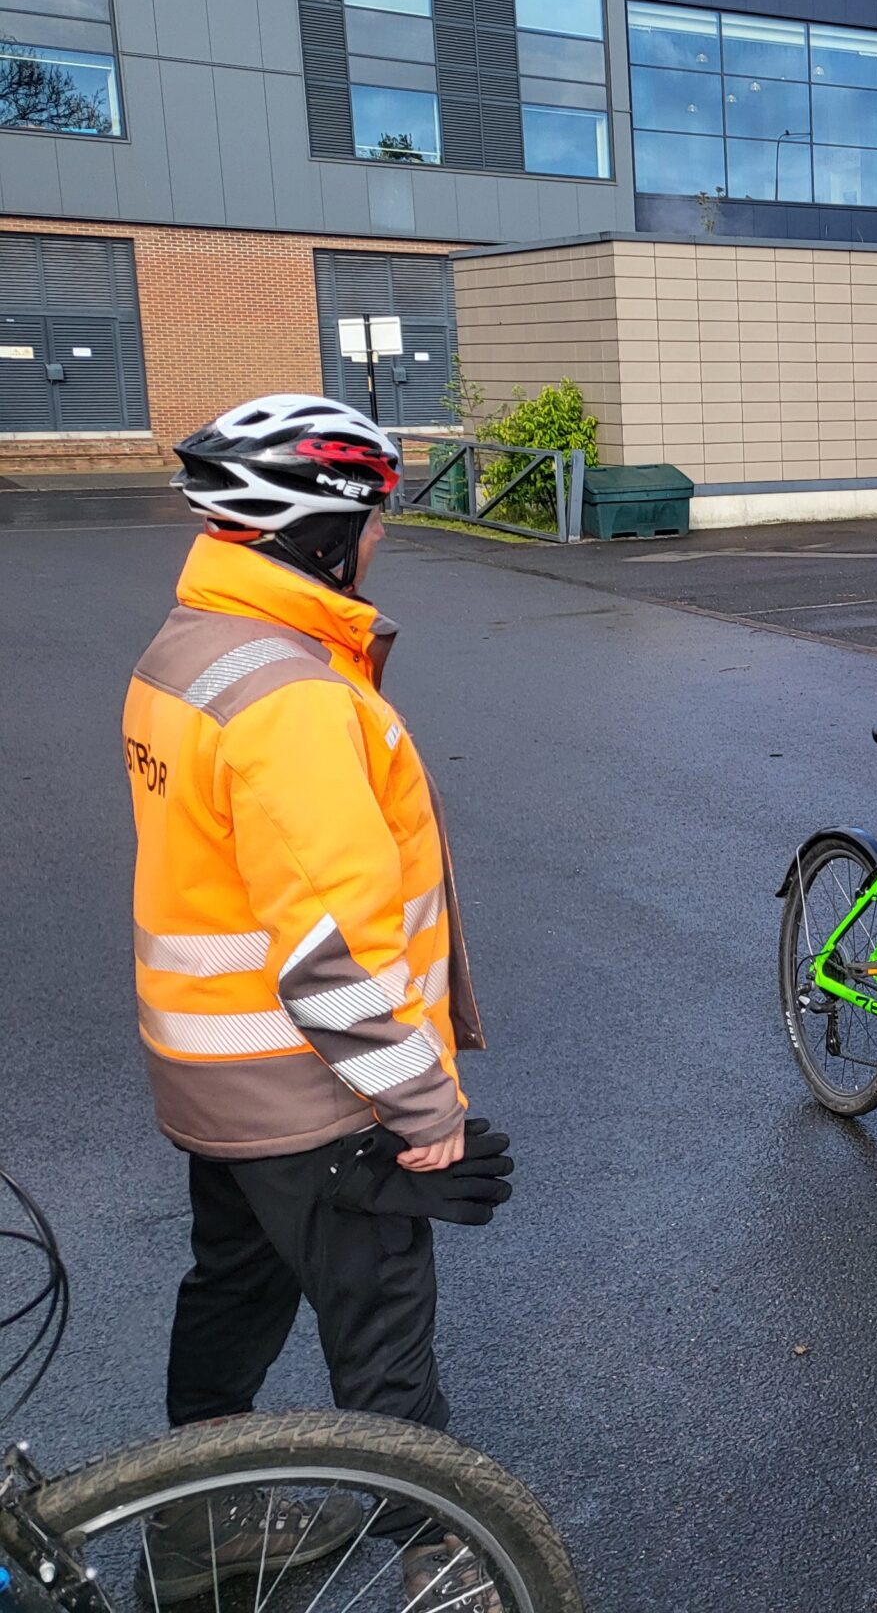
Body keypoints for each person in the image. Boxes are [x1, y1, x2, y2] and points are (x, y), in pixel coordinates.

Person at [127, 395, 512, 1607]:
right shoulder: (293, 698)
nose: (382, 537)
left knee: (232, 1294)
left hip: (211, 1079)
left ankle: (198, 1521)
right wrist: (422, 1107)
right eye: (372, 518)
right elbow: (331, 953)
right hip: (316, 1096)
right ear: (319, 534)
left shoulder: (189, 647)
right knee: (384, 1342)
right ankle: (445, 1556)